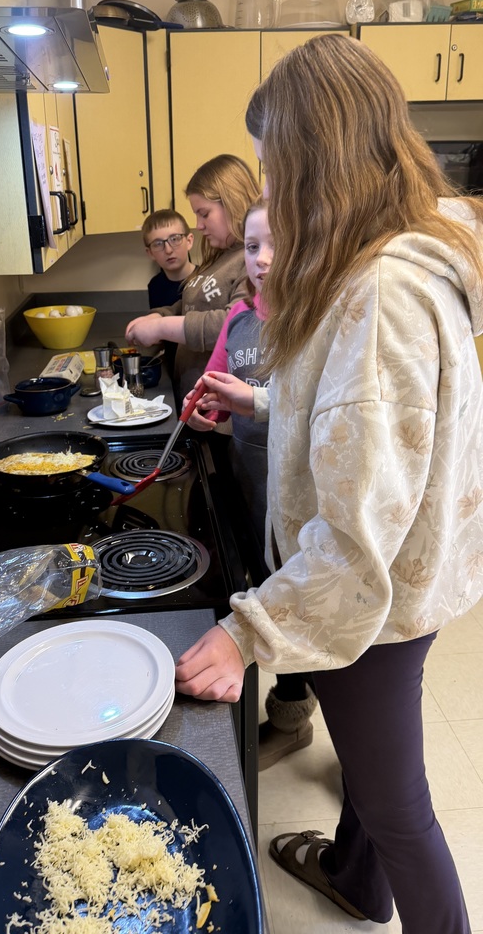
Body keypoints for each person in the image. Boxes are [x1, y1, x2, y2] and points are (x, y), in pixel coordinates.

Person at [175, 33, 483, 932]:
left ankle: (400, 891)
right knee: (375, 765)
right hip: (403, 588)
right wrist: (264, 405)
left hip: (374, 600)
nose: (270, 185)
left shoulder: (381, 289)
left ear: (317, 155)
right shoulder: (390, 257)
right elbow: (379, 434)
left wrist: (246, 632)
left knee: (400, 810)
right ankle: (357, 879)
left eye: (276, 161)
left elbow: (355, 537)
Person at [186, 199, 317, 769]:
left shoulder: (317, 319)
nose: (262, 259)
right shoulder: (239, 322)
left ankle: (294, 718)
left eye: (275, 243)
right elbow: (216, 390)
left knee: (301, 608)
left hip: (303, 505)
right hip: (251, 492)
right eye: (251, 245)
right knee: (265, 591)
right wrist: (203, 414)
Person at [125, 154, 261, 405]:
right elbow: (192, 305)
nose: (198, 225)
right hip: (194, 402)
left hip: (221, 415)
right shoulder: (219, 256)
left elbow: (235, 325)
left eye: (204, 213)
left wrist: (161, 328)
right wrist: (161, 315)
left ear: (232, 202)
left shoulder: (250, 260)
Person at [142, 208, 195, 310]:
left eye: (174, 239)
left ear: (189, 241)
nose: (168, 250)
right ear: (150, 253)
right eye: (158, 244)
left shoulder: (208, 280)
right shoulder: (155, 286)